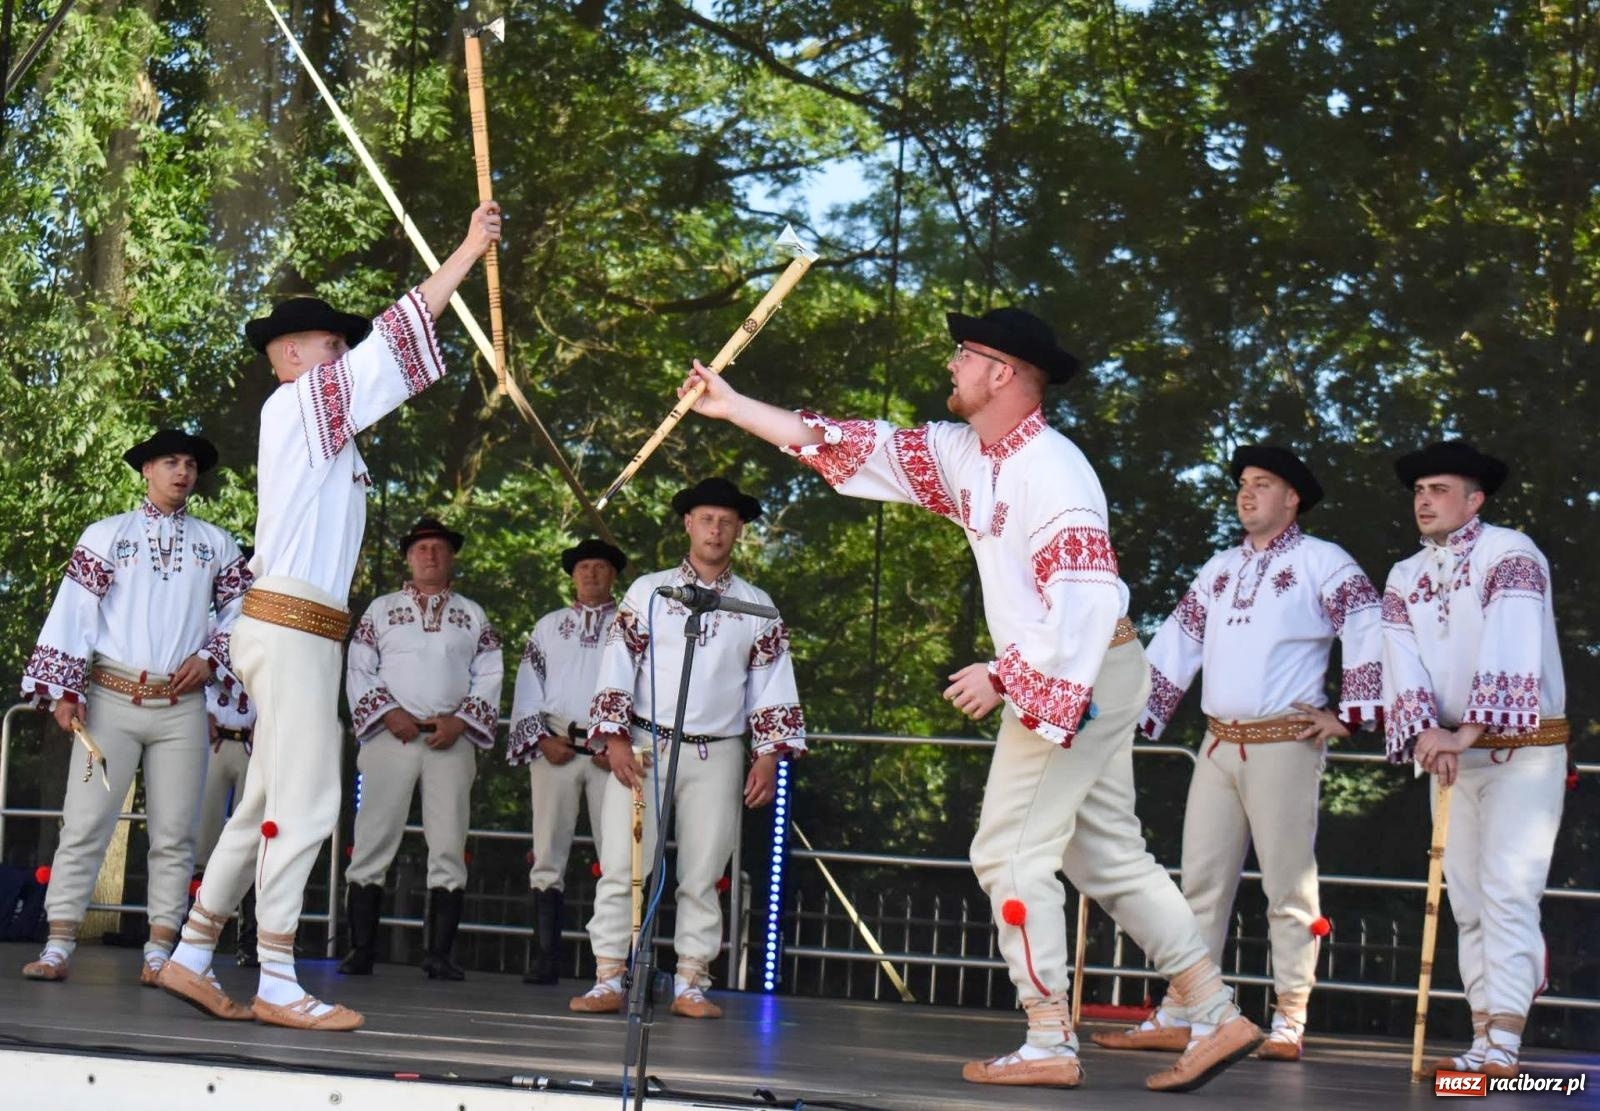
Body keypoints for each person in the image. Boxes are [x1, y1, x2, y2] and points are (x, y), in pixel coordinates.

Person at [682, 308, 1262, 1092]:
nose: (951, 364)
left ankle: (1050, 1033)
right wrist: (732, 402)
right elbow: (850, 442)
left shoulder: (1054, 468)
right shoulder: (971, 453)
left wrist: (1006, 674)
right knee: (1105, 853)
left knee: (1008, 850)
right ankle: (1216, 1010)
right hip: (1088, 669)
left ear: (1003, 373)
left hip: (1076, 671)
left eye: (965, 353)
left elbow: (1085, 601)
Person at [158, 201, 502, 1031]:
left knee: (268, 795)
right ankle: (277, 974)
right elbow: (397, 336)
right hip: (295, 625)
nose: (342, 352)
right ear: (292, 355)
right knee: (311, 797)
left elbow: (383, 356)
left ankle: (192, 955)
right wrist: (466, 250)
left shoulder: (322, 430)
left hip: (295, 626)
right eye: (327, 343)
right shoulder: (299, 406)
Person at [1093, 446, 1382, 1062]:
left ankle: (1290, 1019)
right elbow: (1175, 646)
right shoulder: (1219, 569)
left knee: (1289, 887)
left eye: (1263, 484)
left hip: (1285, 743)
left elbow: (1368, 624)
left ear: (1292, 498)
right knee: (1198, 883)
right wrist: (1124, 716)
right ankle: (1184, 1009)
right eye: (1243, 484)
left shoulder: (1322, 562)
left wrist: (1351, 716)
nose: (1247, 494)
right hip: (1219, 744)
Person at [19, 428, 250, 986]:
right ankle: (57, 943)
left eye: (191, 464)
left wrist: (212, 655)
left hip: (182, 704)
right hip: (111, 699)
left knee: (176, 832)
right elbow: (74, 610)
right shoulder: (106, 535)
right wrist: (66, 690)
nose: (182, 472)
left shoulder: (216, 543)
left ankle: (160, 951)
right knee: (85, 823)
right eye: (170, 461)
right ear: (146, 470)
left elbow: (244, 610)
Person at [570, 478, 805, 1020]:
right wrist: (615, 736)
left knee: (704, 870)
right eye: (706, 518)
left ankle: (691, 980)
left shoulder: (756, 604)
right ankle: (609, 974)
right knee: (622, 864)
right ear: (687, 524)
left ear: (739, 529)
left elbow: (771, 681)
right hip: (645, 745)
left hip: (717, 750)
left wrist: (767, 754)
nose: (716, 528)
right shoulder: (649, 591)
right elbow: (618, 662)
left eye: (726, 520)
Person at [1381, 440, 1567, 1081]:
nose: (1424, 500)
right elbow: (1401, 661)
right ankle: (1483, 1035)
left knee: (1508, 891)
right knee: (1466, 901)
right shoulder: (1403, 574)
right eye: (1418, 491)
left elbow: (1511, 643)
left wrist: (1466, 733)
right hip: (1457, 753)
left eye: (1438, 489)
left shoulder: (1510, 553)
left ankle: (1506, 1046)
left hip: (1524, 750)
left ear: (1475, 499)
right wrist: (1428, 732)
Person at [339, 517, 503, 980]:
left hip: (449, 739)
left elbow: (490, 673)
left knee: (449, 844)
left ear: (451, 557)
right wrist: (389, 713)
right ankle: (361, 949)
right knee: (372, 838)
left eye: (438, 548)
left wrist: (461, 720)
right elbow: (359, 666)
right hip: (391, 736)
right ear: (408, 558)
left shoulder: (472, 614)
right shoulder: (381, 610)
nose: (429, 555)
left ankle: (439, 954)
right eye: (421, 549)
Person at [507, 537, 627, 984]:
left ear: (613, 575)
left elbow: (648, 689)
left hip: (608, 755)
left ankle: (614, 964)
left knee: (617, 854)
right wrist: (539, 738)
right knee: (547, 851)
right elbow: (527, 687)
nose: (591, 574)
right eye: (583, 568)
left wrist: (620, 742)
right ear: (572, 576)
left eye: (599, 567)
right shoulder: (548, 627)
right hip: (556, 747)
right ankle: (547, 959)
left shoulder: (630, 627)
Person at [195, 653, 259, 967]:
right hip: (213, 738)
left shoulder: (272, 617)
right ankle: (190, 934)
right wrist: (194, 713)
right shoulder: (207, 617)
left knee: (252, 844)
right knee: (200, 839)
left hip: (254, 744)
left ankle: (250, 938)